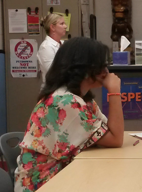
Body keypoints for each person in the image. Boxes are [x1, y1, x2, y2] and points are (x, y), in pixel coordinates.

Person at [14, 37, 124, 192]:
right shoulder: (64, 102)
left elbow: (111, 132)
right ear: (84, 69)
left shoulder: (82, 99)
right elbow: (116, 139)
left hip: (61, 176)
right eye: (101, 66)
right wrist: (114, 92)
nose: (106, 72)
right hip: (42, 184)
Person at [37, 13, 67, 89]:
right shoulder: (46, 47)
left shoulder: (63, 44)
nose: (65, 26)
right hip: (52, 90)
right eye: (62, 24)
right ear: (52, 27)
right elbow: (52, 73)